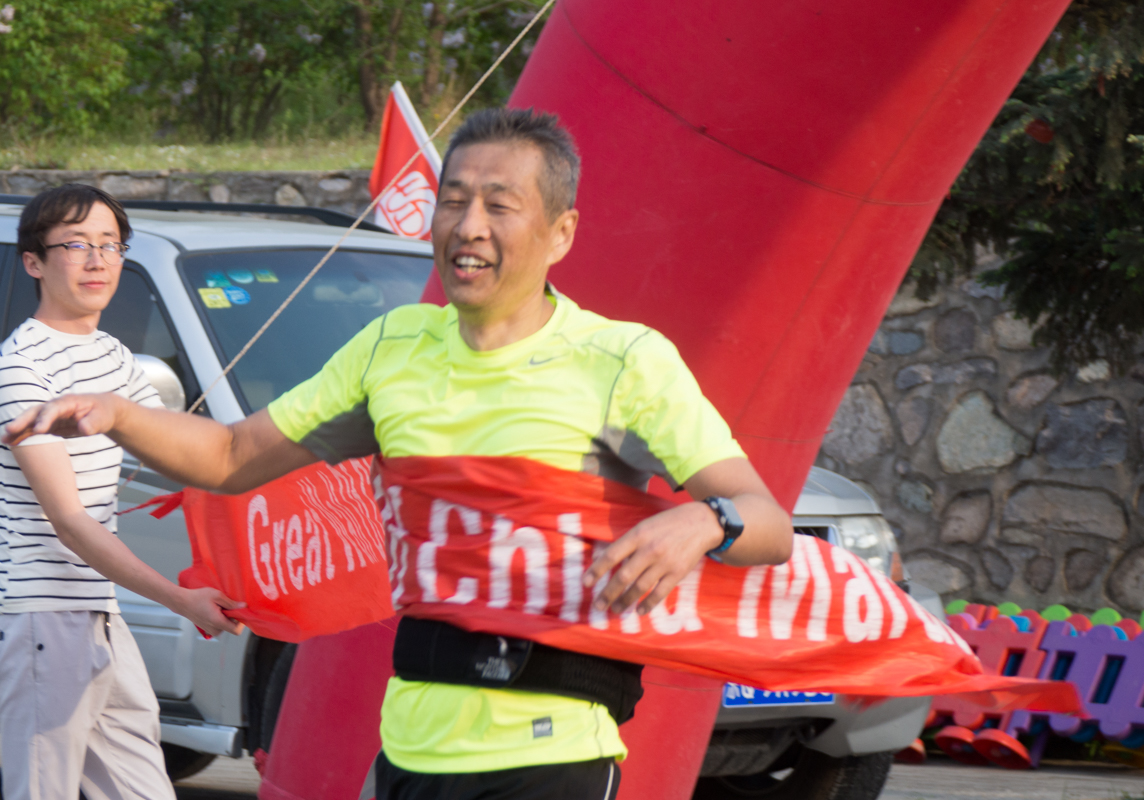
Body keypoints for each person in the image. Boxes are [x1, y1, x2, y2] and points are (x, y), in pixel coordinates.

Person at [4, 111, 793, 800]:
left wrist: (704, 521)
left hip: (556, 753)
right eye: (454, 200)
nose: (469, 225)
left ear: (561, 232)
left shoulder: (624, 360)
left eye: (499, 205)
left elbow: (767, 523)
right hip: (413, 747)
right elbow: (232, 454)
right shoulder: (393, 346)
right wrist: (118, 414)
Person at [0, 185, 244, 800]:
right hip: (41, 616)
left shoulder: (113, 356)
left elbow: (185, 450)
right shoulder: (22, 370)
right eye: (76, 245)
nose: (97, 260)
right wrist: (181, 600)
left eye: (110, 245)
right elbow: (70, 523)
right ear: (33, 262)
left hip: (101, 615)